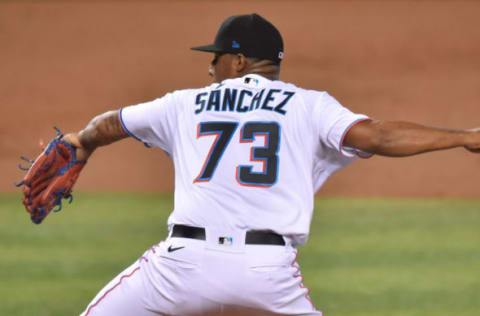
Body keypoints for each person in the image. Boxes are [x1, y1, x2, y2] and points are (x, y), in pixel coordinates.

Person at [68, 13, 480, 315]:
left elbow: (110, 124)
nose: (209, 68)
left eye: (216, 59)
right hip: (266, 273)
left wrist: (81, 144)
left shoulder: (183, 102)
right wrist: (465, 137)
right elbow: (380, 136)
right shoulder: (310, 104)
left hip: (180, 268)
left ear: (239, 61)